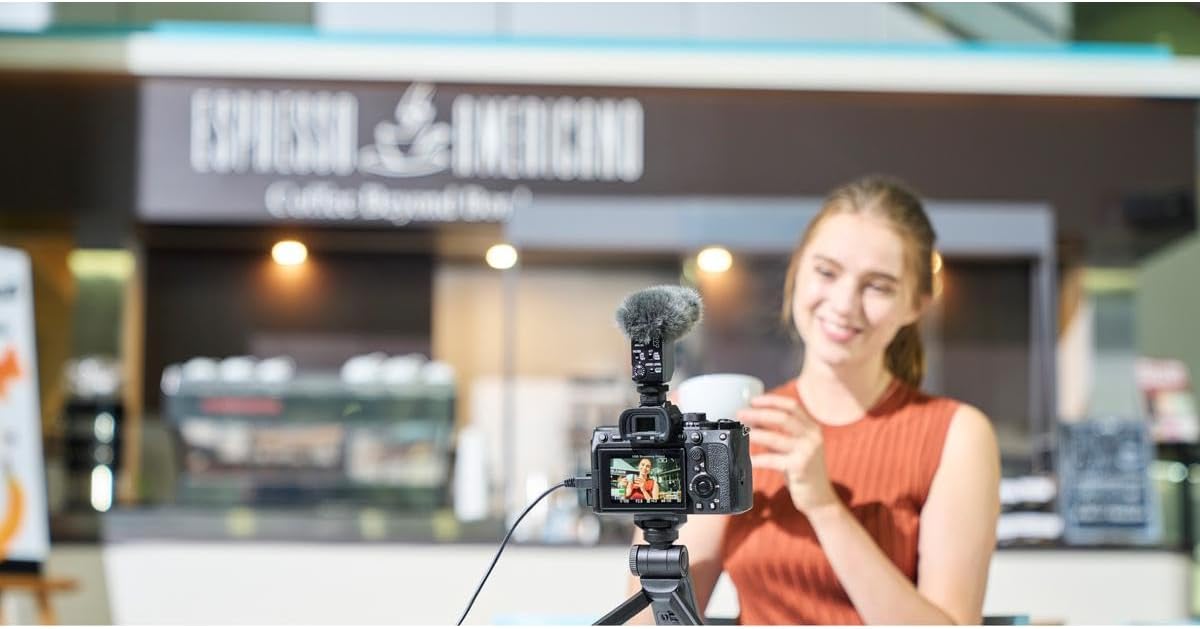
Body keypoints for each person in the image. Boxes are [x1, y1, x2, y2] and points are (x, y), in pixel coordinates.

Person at [627, 175, 1000, 624]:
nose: (844, 303)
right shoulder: (742, 428)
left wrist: (824, 507)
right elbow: (647, 623)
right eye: (826, 272)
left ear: (916, 304)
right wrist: (661, 489)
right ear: (797, 272)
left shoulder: (956, 435)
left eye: (877, 286)